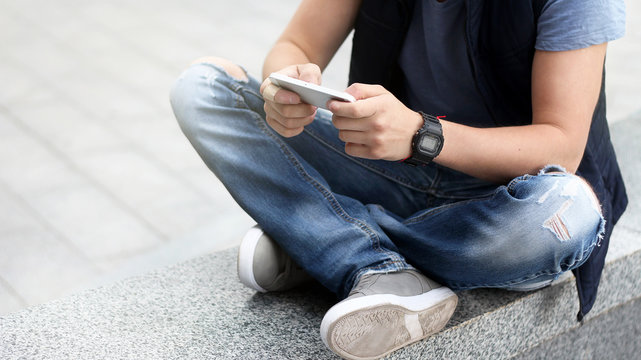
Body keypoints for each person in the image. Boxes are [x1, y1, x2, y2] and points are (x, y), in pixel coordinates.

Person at [170, 0, 628, 358]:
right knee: (204, 86)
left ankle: (320, 239)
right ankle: (368, 260)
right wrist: (283, 85)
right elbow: (298, 45)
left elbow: (560, 146)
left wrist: (420, 135)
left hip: (505, 199)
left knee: (569, 210)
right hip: (387, 167)